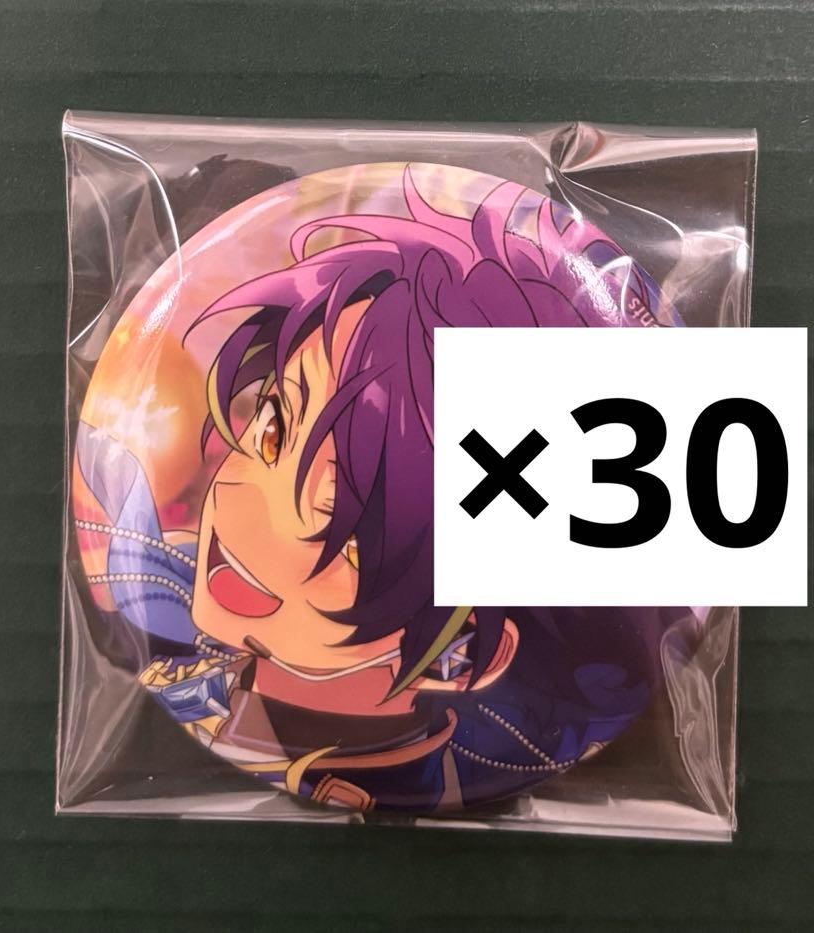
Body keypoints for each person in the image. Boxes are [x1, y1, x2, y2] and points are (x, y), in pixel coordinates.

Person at [74, 167, 687, 812]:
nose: (241, 504)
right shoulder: (150, 580)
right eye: (273, 428)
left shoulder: (438, 762)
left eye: (350, 523)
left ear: (466, 652)